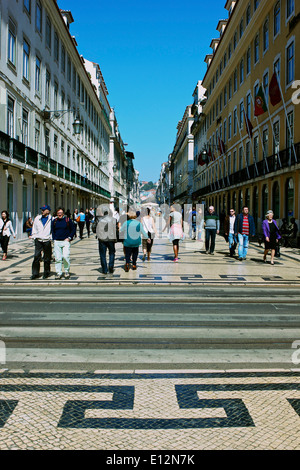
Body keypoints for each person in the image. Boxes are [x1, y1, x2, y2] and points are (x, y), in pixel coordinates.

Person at [51, 207, 76, 279]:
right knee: (58, 258)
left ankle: (66, 271)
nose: (59, 214)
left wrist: (69, 238)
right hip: (57, 241)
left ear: (63, 213)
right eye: (58, 213)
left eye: (61, 213)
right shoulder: (54, 221)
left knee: (65, 256)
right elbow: (52, 230)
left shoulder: (68, 220)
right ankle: (58, 272)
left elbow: (73, 229)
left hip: (65, 241)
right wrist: (54, 239)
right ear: (56, 213)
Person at [30, 205, 52, 279]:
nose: (42, 211)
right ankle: (35, 273)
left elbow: (53, 229)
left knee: (47, 257)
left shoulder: (51, 219)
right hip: (38, 240)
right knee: (36, 256)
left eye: (44, 210)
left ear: (48, 211)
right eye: (42, 210)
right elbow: (34, 228)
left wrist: (50, 238)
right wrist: (34, 236)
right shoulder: (37, 218)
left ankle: (46, 272)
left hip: (47, 240)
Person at [96, 207, 118, 274]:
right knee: (112, 253)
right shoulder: (114, 219)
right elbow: (116, 229)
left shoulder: (98, 219)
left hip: (102, 239)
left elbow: (94, 229)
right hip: (111, 238)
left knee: (102, 254)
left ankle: (105, 269)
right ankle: (111, 266)